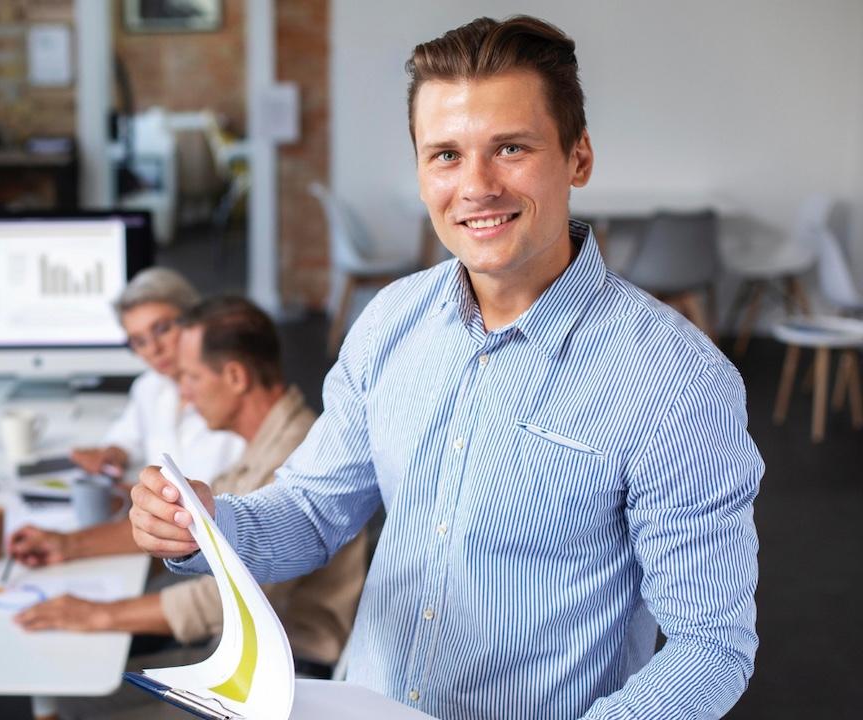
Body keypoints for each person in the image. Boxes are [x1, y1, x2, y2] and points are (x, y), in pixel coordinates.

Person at [130, 16, 763, 720]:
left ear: (578, 157)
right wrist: (207, 528)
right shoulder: (388, 323)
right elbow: (311, 512)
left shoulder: (678, 383)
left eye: (511, 148)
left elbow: (711, 644)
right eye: (446, 155)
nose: (477, 186)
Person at [16, 297, 366, 720]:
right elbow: (187, 530)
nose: (183, 394)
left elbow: (223, 600)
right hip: (236, 653)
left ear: (235, 376)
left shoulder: (295, 451)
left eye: (191, 377)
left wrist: (97, 614)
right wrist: (67, 545)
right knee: (75, 690)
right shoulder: (263, 441)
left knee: (82, 697)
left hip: (282, 677)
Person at [68, 267, 243, 483]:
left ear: (194, 319)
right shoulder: (150, 386)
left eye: (162, 329)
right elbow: (127, 439)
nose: (153, 349)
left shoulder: (228, 390)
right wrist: (110, 455)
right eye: (139, 342)